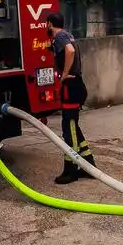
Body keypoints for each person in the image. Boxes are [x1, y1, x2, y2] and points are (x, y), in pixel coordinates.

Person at [46, 13, 95, 185]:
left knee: (69, 128)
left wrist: (65, 74)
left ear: (50, 24)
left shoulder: (60, 36)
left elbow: (70, 51)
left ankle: (71, 170)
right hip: (76, 86)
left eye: (46, 24)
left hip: (71, 87)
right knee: (74, 127)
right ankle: (89, 164)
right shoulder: (67, 35)